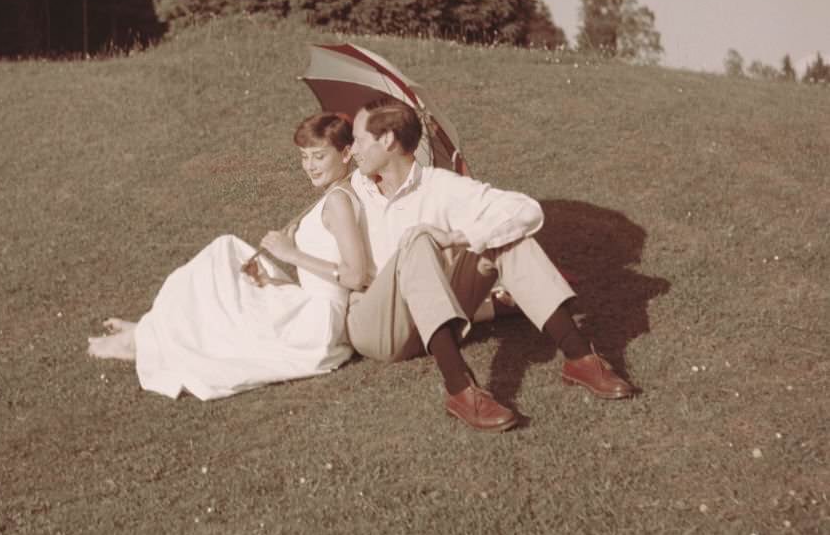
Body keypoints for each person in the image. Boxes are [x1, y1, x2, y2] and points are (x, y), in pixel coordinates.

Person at [345, 96, 633, 432]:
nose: (353, 150)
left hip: (430, 319)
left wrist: (458, 237)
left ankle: (579, 356)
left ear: (388, 140)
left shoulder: (440, 185)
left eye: (360, 140)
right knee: (418, 239)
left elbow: (526, 210)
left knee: (506, 236)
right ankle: (459, 387)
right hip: (378, 326)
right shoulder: (354, 189)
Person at [87, 113, 368, 400]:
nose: (309, 166)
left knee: (222, 260)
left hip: (316, 324)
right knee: (228, 267)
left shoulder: (338, 202)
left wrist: (291, 254)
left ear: (346, 153)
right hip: (312, 307)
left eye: (319, 156)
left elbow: (355, 276)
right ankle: (151, 330)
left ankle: (144, 338)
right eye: (304, 156)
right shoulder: (334, 195)